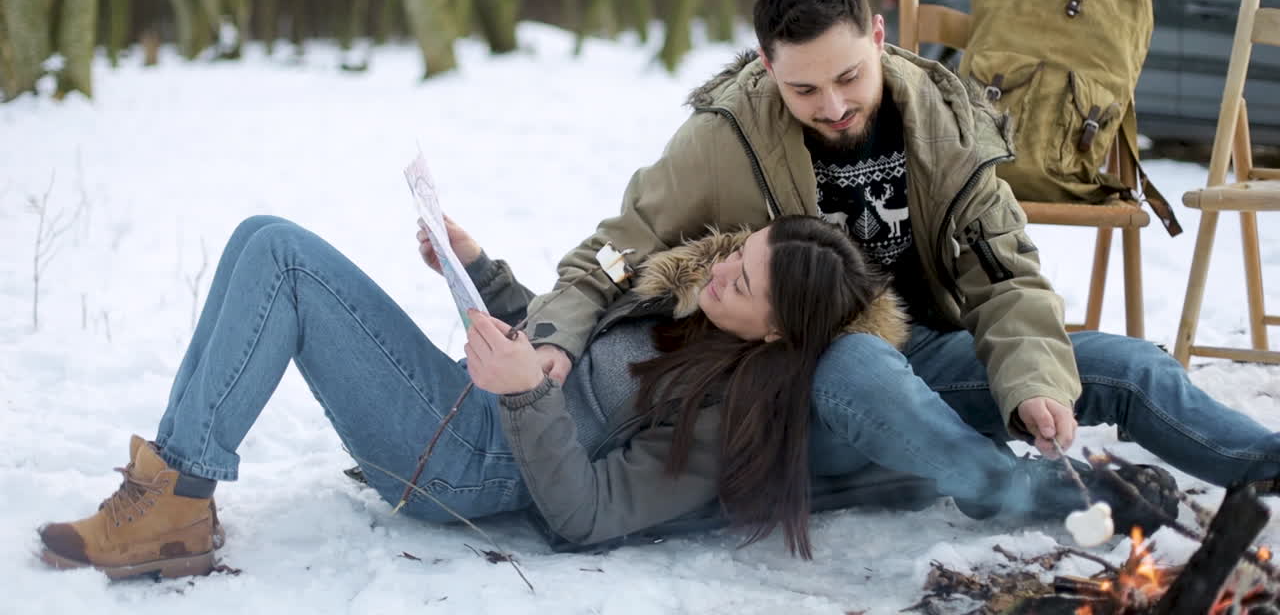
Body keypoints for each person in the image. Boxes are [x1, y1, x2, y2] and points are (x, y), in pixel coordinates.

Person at [518, 0, 1280, 520]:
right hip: (804, 385)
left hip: (925, 355)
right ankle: (1019, 492)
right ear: (766, 65)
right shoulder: (722, 140)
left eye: (849, 76)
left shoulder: (945, 125)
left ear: (878, 36)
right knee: (857, 361)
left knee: (1130, 366)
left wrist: (1033, 382)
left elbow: (1006, 277)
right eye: (804, 88)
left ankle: (1265, 463)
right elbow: (611, 252)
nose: (833, 105)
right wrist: (553, 336)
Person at [36, 212, 905, 579]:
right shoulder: (693, 311)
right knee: (259, 235)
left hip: (465, 463)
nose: (719, 271)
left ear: (779, 333)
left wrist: (524, 397)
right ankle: (171, 486)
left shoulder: (729, 416)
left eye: (742, 280)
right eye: (738, 252)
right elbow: (567, 360)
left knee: (284, 261)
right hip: (472, 408)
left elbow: (589, 516)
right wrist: (480, 271)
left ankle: (177, 500)